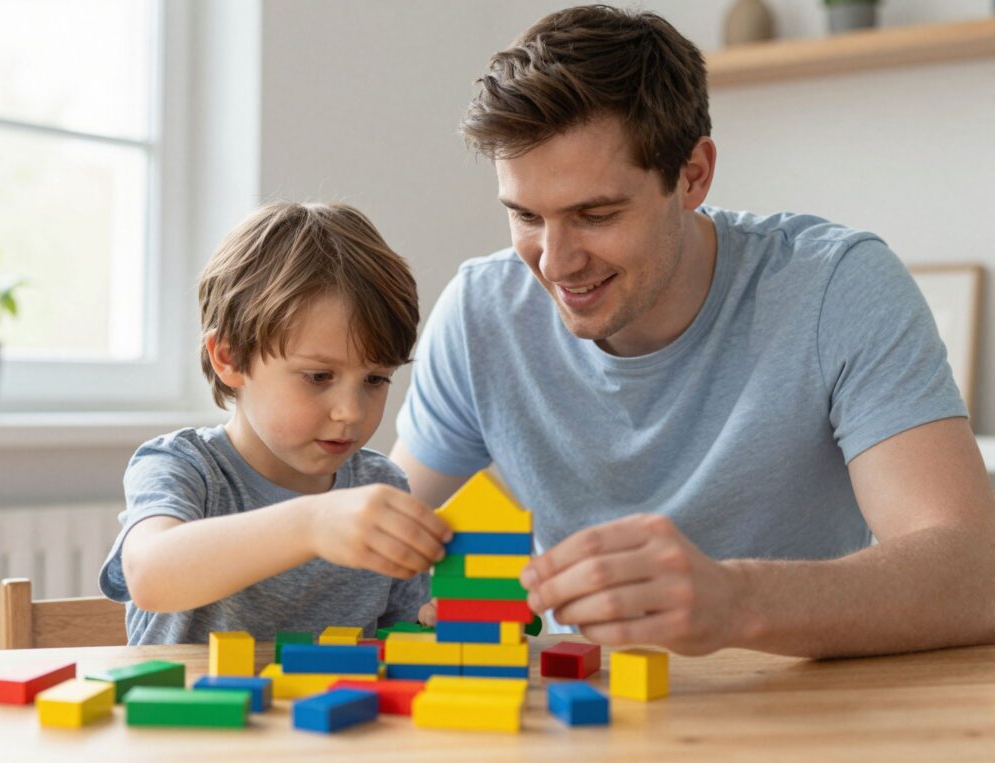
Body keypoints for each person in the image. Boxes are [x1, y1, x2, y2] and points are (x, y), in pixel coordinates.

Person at [392, 5, 995, 658]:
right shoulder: (481, 313)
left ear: (692, 176)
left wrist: (736, 601)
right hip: (583, 713)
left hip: (799, 712)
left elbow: (975, 575)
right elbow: (366, 538)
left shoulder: (836, 289)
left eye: (594, 214)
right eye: (526, 216)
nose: (556, 261)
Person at [100, 202, 451, 644]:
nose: (352, 411)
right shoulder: (183, 467)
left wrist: (431, 621)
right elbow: (150, 575)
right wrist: (312, 525)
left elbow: (394, 638)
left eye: (376, 379)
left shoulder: (380, 485)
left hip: (334, 712)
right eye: (319, 376)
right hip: (195, 713)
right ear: (230, 358)